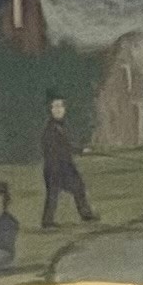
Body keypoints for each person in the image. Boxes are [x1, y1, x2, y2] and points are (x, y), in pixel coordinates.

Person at [40, 97, 95, 230]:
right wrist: (81, 150)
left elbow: (66, 146)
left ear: (65, 109)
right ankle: (47, 222)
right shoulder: (51, 128)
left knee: (79, 187)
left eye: (60, 107)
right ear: (51, 110)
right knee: (53, 195)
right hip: (54, 168)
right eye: (55, 107)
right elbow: (62, 148)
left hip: (65, 167)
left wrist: (80, 150)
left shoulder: (61, 126)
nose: (58, 110)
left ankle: (86, 214)